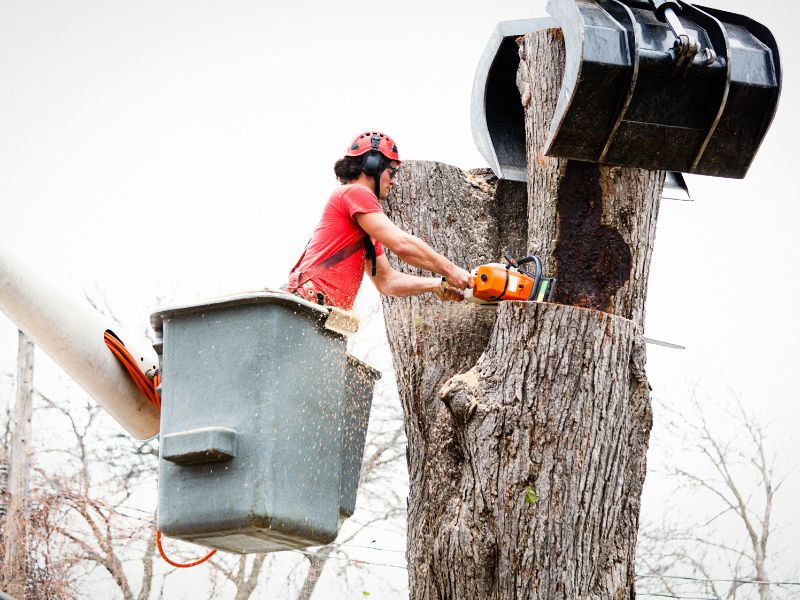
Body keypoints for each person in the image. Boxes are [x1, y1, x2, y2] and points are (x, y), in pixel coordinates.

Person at [286, 131, 473, 310]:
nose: (394, 181)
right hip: (310, 303)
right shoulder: (355, 192)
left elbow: (387, 282)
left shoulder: (364, 228)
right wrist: (450, 270)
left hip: (324, 311)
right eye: (392, 172)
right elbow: (401, 244)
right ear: (372, 165)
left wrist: (436, 283)